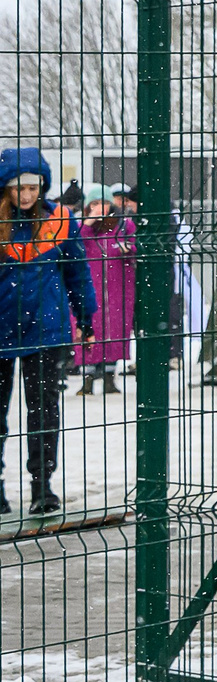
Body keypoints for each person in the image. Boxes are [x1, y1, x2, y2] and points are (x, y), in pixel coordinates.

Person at [1, 149, 97, 519]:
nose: (25, 195)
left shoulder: (61, 221)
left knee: (43, 412)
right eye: (18, 188)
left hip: (46, 329)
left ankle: (43, 486)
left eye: (32, 187)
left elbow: (77, 273)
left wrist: (86, 318)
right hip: (2, 328)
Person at [74, 197, 138, 395]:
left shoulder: (124, 227)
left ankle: (110, 377)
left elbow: (136, 247)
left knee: (115, 331)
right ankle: (88, 379)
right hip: (90, 290)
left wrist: (128, 249)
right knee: (89, 329)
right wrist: (89, 221)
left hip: (118, 290)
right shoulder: (82, 228)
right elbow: (76, 246)